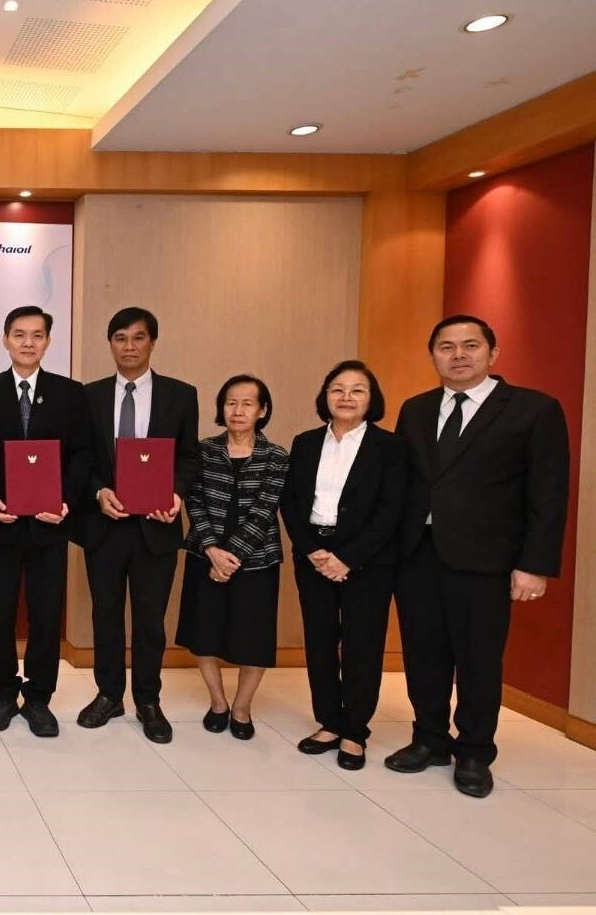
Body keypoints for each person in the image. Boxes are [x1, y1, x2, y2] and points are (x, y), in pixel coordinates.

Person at [386, 315, 570, 797]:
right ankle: (429, 738)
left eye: (470, 345)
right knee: (423, 655)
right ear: (433, 355)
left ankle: (473, 751)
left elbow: (548, 494)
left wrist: (534, 564)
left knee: (478, 660)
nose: (459, 355)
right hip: (417, 555)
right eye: (446, 347)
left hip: (487, 560)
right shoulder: (416, 409)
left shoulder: (533, 410)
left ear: (493, 352)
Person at [74, 307, 199, 744]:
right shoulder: (88, 396)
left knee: (150, 619)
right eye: (120, 338)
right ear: (110, 344)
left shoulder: (180, 395)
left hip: (156, 526)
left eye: (138, 337)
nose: (129, 346)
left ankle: (148, 699)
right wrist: (97, 492)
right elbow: (82, 458)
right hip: (105, 525)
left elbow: (188, 457)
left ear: (152, 343)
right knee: (105, 614)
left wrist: (175, 495)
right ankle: (109, 695)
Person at [0, 306, 91, 737]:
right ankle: (2, 693)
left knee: (45, 613)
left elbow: (82, 455)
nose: (27, 342)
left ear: (48, 342)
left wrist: (65, 501)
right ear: (5, 339)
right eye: (19, 334)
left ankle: (39, 697)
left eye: (37, 335)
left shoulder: (70, 393)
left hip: (48, 525)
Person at [280, 360, 406, 770]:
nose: (346, 397)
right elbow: (291, 502)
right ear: (325, 396)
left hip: (367, 560)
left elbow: (391, 509)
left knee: (361, 645)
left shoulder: (390, 447)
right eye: (337, 389)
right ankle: (329, 722)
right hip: (314, 554)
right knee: (319, 641)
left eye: (357, 390)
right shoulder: (305, 442)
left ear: (372, 399)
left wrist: (348, 557)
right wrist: (311, 549)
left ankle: (355, 730)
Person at [175, 375, 288, 741]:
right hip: (204, 555)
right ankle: (218, 702)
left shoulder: (277, 456)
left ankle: (242, 706)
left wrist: (231, 557)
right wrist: (212, 550)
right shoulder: (204, 450)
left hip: (257, 561)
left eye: (247, 404)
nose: (238, 411)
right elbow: (193, 501)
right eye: (231, 403)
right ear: (221, 408)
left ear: (262, 410)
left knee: (254, 637)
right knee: (203, 632)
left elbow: (266, 509)